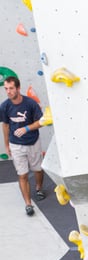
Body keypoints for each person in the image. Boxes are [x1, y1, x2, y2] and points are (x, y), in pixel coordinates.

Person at [0, 76, 45, 216]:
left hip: (33, 142)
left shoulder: (30, 103)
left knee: (38, 170)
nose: (8, 91)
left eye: (11, 88)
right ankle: (28, 204)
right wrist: (7, 144)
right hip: (16, 145)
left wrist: (27, 128)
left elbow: (41, 122)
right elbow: (5, 125)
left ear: (18, 88)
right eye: (6, 89)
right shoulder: (4, 106)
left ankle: (39, 188)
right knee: (22, 174)